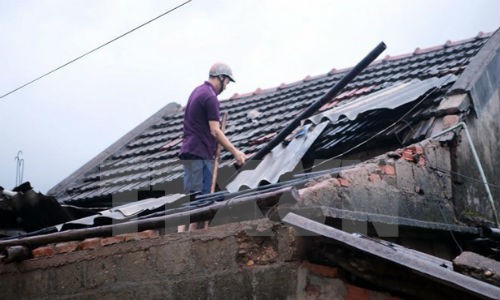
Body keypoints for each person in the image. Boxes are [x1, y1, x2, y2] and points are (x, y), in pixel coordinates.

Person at [179, 62, 247, 198]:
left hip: (191, 152)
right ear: (221, 77)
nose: (226, 87)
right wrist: (236, 152)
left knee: (195, 199)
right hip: (199, 153)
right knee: (201, 201)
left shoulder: (197, 91)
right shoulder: (210, 97)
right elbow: (215, 131)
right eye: (227, 82)